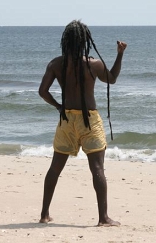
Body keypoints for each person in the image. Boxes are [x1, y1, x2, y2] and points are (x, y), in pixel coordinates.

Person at [38, 20, 127, 226]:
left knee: (55, 168)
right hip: (89, 120)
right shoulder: (93, 64)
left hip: (67, 119)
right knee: (97, 167)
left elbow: (42, 92)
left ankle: (44, 214)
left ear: (66, 41)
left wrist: (59, 107)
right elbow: (112, 78)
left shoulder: (56, 63)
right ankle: (103, 218)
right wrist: (120, 54)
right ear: (85, 40)